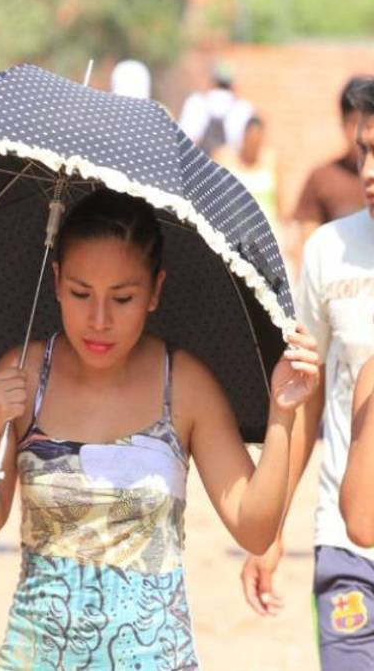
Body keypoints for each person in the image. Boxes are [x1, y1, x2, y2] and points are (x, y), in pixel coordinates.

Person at [0, 189, 318, 669]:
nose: (99, 320)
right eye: (81, 294)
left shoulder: (184, 383)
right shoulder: (22, 376)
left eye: (122, 297)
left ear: (155, 291)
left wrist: (283, 416)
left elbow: (254, 529)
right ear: (56, 281)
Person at [243, 78, 374, 669]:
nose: (367, 171)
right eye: (365, 150)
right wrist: (273, 525)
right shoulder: (329, 252)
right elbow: (308, 397)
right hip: (348, 547)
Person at [292, 76, 374, 261]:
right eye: (356, 123)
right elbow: (307, 246)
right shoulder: (321, 179)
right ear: (343, 125)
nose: (363, 132)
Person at [213, 116, 282, 234]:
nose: (253, 145)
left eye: (257, 140)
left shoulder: (271, 161)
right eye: (250, 139)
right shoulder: (225, 159)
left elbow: (279, 203)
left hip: (266, 232)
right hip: (233, 231)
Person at [178, 62, 255, 155]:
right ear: (232, 85)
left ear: (212, 82)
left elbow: (183, 141)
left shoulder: (196, 103)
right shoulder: (243, 108)